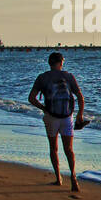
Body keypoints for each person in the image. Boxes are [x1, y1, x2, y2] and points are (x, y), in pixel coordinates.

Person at [28, 52, 87, 191]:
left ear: (49, 63)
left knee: (53, 148)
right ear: (61, 62)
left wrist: (43, 108)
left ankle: (58, 178)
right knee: (69, 149)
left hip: (51, 117)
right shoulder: (68, 76)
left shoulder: (42, 78)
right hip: (67, 117)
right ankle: (73, 177)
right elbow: (80, 97)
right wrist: (80, 115)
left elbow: (31, 98)